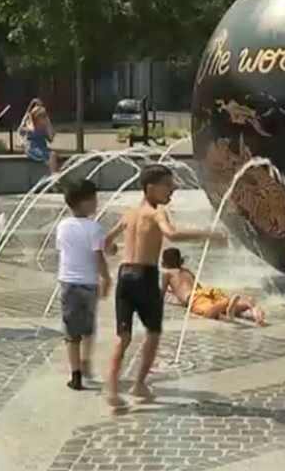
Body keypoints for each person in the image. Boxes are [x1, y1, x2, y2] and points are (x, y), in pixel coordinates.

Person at [102, 164, 226, 408]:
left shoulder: (129, 214)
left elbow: (106, 241)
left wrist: (112, 249)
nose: (173, 189)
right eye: (167, 185)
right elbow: (172, 234)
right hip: (146, 277)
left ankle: (112, 391)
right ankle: (138, 384)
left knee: (122, 337)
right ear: (151, 187)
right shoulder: (156, 213)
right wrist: (207, 234)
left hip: (125, 276)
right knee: (154, 333)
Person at [56, 179, 111, 390]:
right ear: (83, 203)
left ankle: (75, 374)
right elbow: (98, 257)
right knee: (88, 327)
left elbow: (64, 251)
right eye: (93, 199)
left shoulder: (62, 226)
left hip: (67, 282)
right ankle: (86, 362)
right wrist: (106, 278)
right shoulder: (95, 228)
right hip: (89, 283)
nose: (96, 202)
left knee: (71, 333)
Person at [161, 248, 266, 325]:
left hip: (193, 297)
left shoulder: (168, 274)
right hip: (206, 291)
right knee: (217, 304)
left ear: (164, 263)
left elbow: (161, 294)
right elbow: (197, 286)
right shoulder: (187, 271)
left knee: (208, 313)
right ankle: (246, 304)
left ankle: (227, 304)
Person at [20, 104, 59, 174]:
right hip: (33, 148)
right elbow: (22, 131)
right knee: (49, 157)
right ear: (36, 118)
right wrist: (29, 118)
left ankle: (55, 173)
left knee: (53, 155)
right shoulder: (30, 125)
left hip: (43, 147)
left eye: (45, 117)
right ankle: (54, 174)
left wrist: (49, 126)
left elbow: (50, 139)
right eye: (42, 117)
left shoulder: (45, 128)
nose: (44, 119)